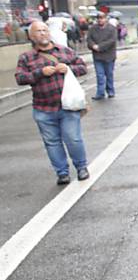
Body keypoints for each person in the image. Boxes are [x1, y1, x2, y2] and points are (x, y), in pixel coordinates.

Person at [15, 20, 90, 185]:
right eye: (38, 31)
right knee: (52, 142)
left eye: (45, 30)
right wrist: (39, 73)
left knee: (73, 139)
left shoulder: (64, 51)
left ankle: (81, 167)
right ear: (31, 36)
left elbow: (83, 67)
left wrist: (69, 69)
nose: (42, 33)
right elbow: (20, 78)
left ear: (49, 33)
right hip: (43, 108)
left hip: (68, 106)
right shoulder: (26, 57)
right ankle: (62, 173)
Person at [87, 11, 118, 100]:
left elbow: (112, 41)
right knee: (99, 75)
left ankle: (110, 91)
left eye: (102, 18)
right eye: (98, 18)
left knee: (109, 74)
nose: (100, 20)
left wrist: (99, 46)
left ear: (106, 19)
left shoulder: (111, 29)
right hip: (97, 56)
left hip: (109, 56)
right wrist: (93, 46)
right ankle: (100, 93)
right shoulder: (92, 29)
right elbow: (89, 39)